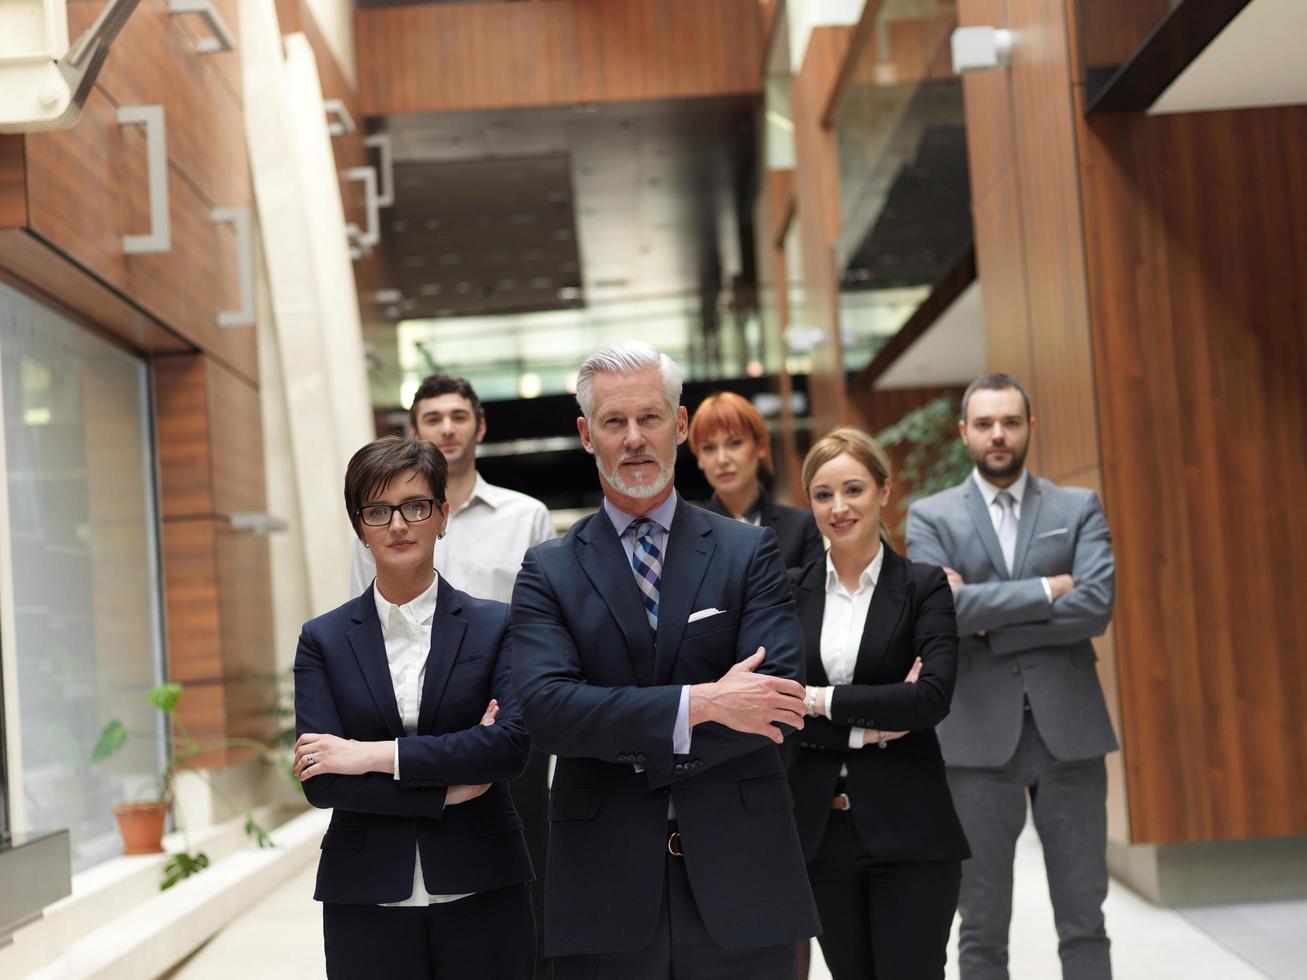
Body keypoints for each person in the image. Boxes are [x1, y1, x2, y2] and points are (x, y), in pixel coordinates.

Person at [510, 341, 820, 979]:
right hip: (604, 885)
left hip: (744, 875)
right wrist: (702, 703)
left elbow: (779, 701)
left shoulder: (748, 552)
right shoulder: (549, 569)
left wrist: (616, 721)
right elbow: (546, 711)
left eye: (649, 418)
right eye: (613, 422)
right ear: (586, 435)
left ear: (679, 426)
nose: (633, 439)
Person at [294, 436, 535, 979]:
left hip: (483, 885)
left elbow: (507, 747)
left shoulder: (498, 625)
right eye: (378, 511)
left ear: (442, 516)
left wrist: (368, 756)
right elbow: (320, 779)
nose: (398, 525)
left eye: (414, 506)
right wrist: (446, 789)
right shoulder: (323, 640)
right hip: (365, 894)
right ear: (360, 527)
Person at [906, 373, 1117, 980]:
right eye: (985, 424)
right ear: (964, 432)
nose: (998, 435)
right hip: (974, 741)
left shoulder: (1078, 508)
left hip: (1070, 736)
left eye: (1010, 422)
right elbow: (940, 614)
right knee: (980, 926)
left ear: (1030, 427)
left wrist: (985, 614)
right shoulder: (932, 517)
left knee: (1084, 921)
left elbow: (1096, 607)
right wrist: (1048, 591)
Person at [348, 374, 555, 974]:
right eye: (432, 417)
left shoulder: (527, 517)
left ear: (480, 426)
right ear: (415, 429)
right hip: (411, 723)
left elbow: (542, 628)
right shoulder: (381, 524)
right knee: (413, 871)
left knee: (517, 874)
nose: (446, 427)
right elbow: (359, 625)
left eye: (458, 415)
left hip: (504, 722)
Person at [788, 427, 969, 980]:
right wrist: (872, 722)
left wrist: (818, 700)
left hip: (911, 828)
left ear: (884, 492)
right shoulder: (786, 591)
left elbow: (930, 700)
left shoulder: (923, 587)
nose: (838, 508)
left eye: (853, 489)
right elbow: (779, 711)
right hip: (822, 832)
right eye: (823, 494)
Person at [689, 391, 824, 570]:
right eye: (709, 448)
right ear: (699, 458)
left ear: (760, 446)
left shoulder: (802, 526)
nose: (722, 459)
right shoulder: (689, 532)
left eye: (734, 443)